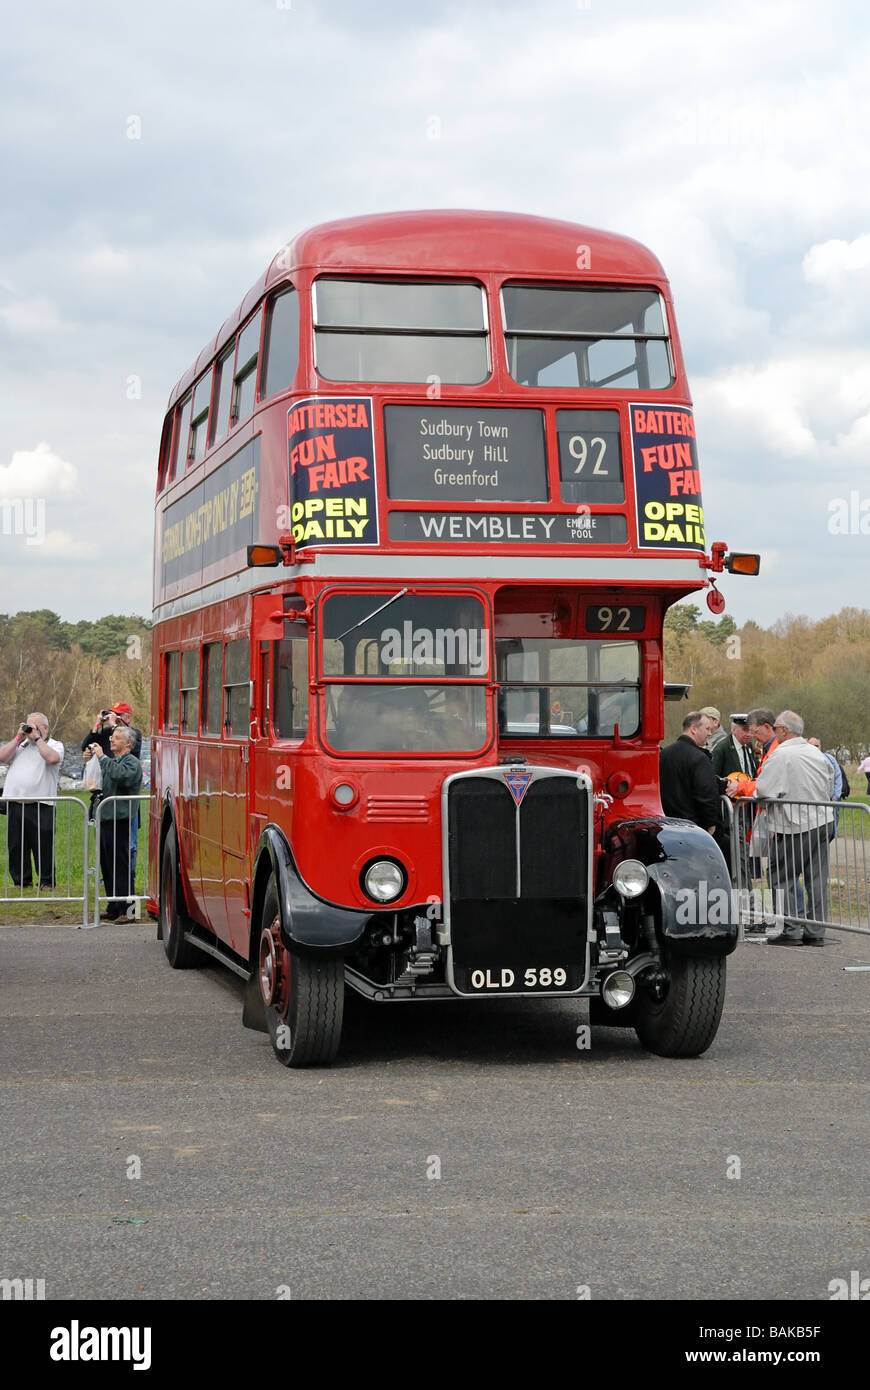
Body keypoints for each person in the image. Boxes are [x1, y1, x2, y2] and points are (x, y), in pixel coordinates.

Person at [755, 712, 835, 946]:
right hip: (822, 820)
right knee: (817, 879)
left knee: (781, 877)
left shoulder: (781, 755)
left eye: (778, 728)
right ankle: (816, 931)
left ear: (783, 730)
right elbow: (829, 784)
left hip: (794, 825)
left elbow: (765, 791)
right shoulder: (815, 752)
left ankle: (790, 929)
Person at [0, 713, 64, 888]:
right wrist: (18, 737)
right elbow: (2, 757)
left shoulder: (54, 745)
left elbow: (52, 758)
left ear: (45, 728)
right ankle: (21, 881)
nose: (30, 730)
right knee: (16, 845)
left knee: (43, 845)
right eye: (28, 726)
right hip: (15, 802)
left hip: (41, 804)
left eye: (35, 726)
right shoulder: (20, 745)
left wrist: (37, 739)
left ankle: (46, 881)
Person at [660, 712, 729, 860]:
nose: (710, 733)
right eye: (707, 729)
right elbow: (706, 794)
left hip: (668, 827)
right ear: (693, 729)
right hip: (696, 829)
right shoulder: (699, 757)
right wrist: (710, 823)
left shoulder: (664, 754)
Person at [91, 724, 142, 920]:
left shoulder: (132, 762)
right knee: (108, 864)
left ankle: (129, 910)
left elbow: (121, 776)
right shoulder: (114, 760)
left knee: (121, 865)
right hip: (105, 818)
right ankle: (114, 906)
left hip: (120, 820)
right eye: (112, 736)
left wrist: (102, 757)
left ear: (128, 742)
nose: (111, 739)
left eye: (117, 737)